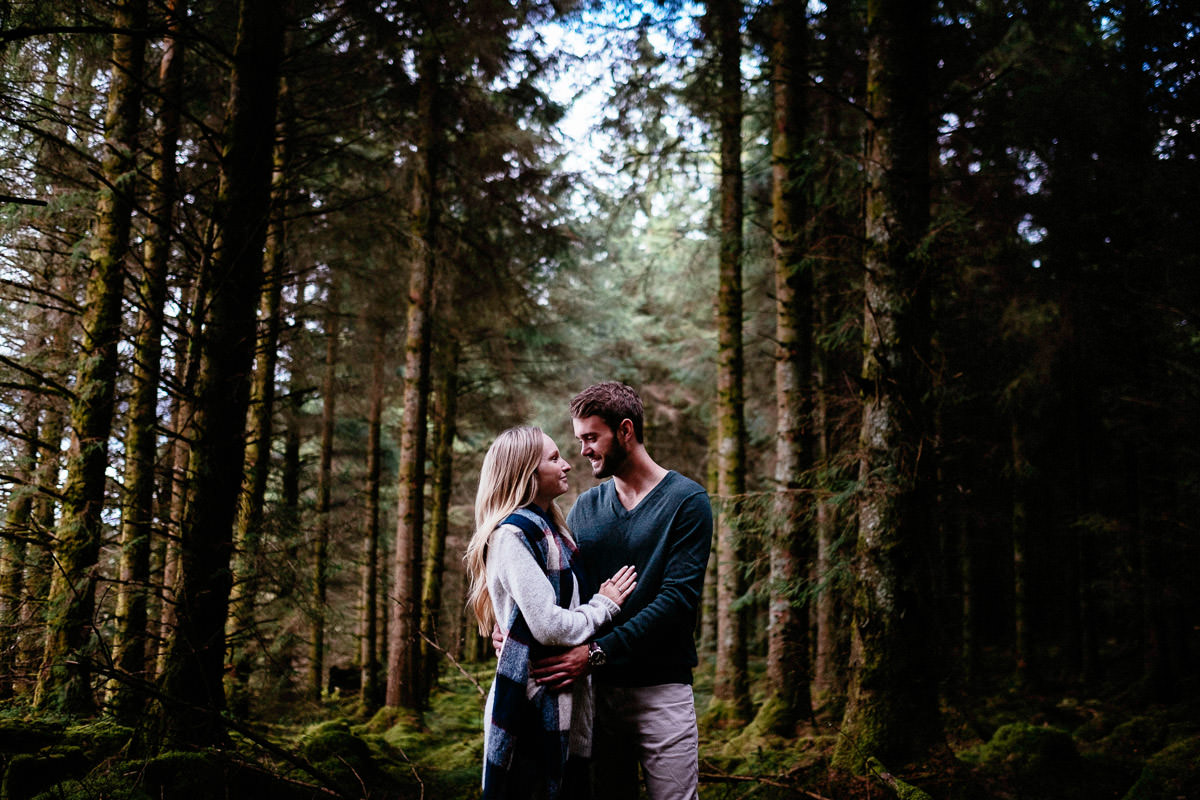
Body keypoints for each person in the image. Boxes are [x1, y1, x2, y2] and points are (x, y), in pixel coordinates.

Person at [521, 382, 714, 800]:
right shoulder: (586, 508)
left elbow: (677, 601)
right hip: (596, 694)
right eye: (579, 440)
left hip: (662, 690)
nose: (583, 450)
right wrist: (517, 629)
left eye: (591, 437)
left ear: (625, 430)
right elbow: (567, 595)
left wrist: (593, 654)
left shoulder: (687, 501)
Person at [466, 425, 638, 800]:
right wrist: (604, 605)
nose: (566, 465)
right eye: (554, 458)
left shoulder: (553, 532)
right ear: (527, 472)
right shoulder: (512, 535)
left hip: (564, 705)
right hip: (530, 707)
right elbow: (548, 626)